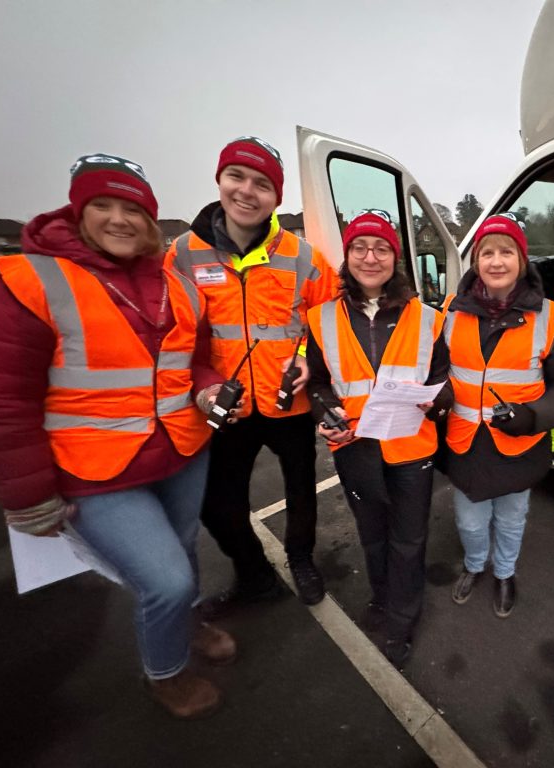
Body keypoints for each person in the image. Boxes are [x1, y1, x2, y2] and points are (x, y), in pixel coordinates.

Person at [0, 154, 237, 719]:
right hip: (95, 470)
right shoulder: (28, 281)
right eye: (103, 206)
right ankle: (165, 674)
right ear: (77, 211)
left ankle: (185, 624)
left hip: (182, 452)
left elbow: (198, 363)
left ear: (151, 220)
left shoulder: (178, 287)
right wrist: (28, 496)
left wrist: (209, 391)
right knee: (164, 578)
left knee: (183, 553)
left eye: (133, 209)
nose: (119, 220)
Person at [167, 137, 339, 613]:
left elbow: (329, 325)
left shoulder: (304, 256)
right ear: (219, 181)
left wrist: (309, 357)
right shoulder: (183, 255)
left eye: (262, 184)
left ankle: (301, 559)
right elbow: (179, 340)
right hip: (228, 409)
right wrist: (204, 388)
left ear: (276, 198)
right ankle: (254, 574)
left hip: (290, 404)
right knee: (219, 507)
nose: (247, 191)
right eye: (236, 177)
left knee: (301, 490)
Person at [306, 210, 451, 669]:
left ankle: (402, 620)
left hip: (412, 450)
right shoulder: (321, 318)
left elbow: (444, 378)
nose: (371, 257)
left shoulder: (428, 317)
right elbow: (318, 383)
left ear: (396, 257)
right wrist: (324, 411)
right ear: (346, 258)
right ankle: (382, 594)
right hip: (356, 446)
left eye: (382, 248)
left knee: (408, 539)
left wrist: (440, 400)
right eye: (360, 248)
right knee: (372, 535)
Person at [443, 213, 554, 617]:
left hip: (519, 443)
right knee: (469, 522)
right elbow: (436, 370)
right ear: (476, 262)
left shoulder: (549, 316)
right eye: (487, 252)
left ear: (522, 261)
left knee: (511, 518)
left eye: (507, 252)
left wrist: (533, 416)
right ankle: (474, 565)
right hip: (466, 443)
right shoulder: (451, 311)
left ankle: (504, 573)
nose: (496, 261)